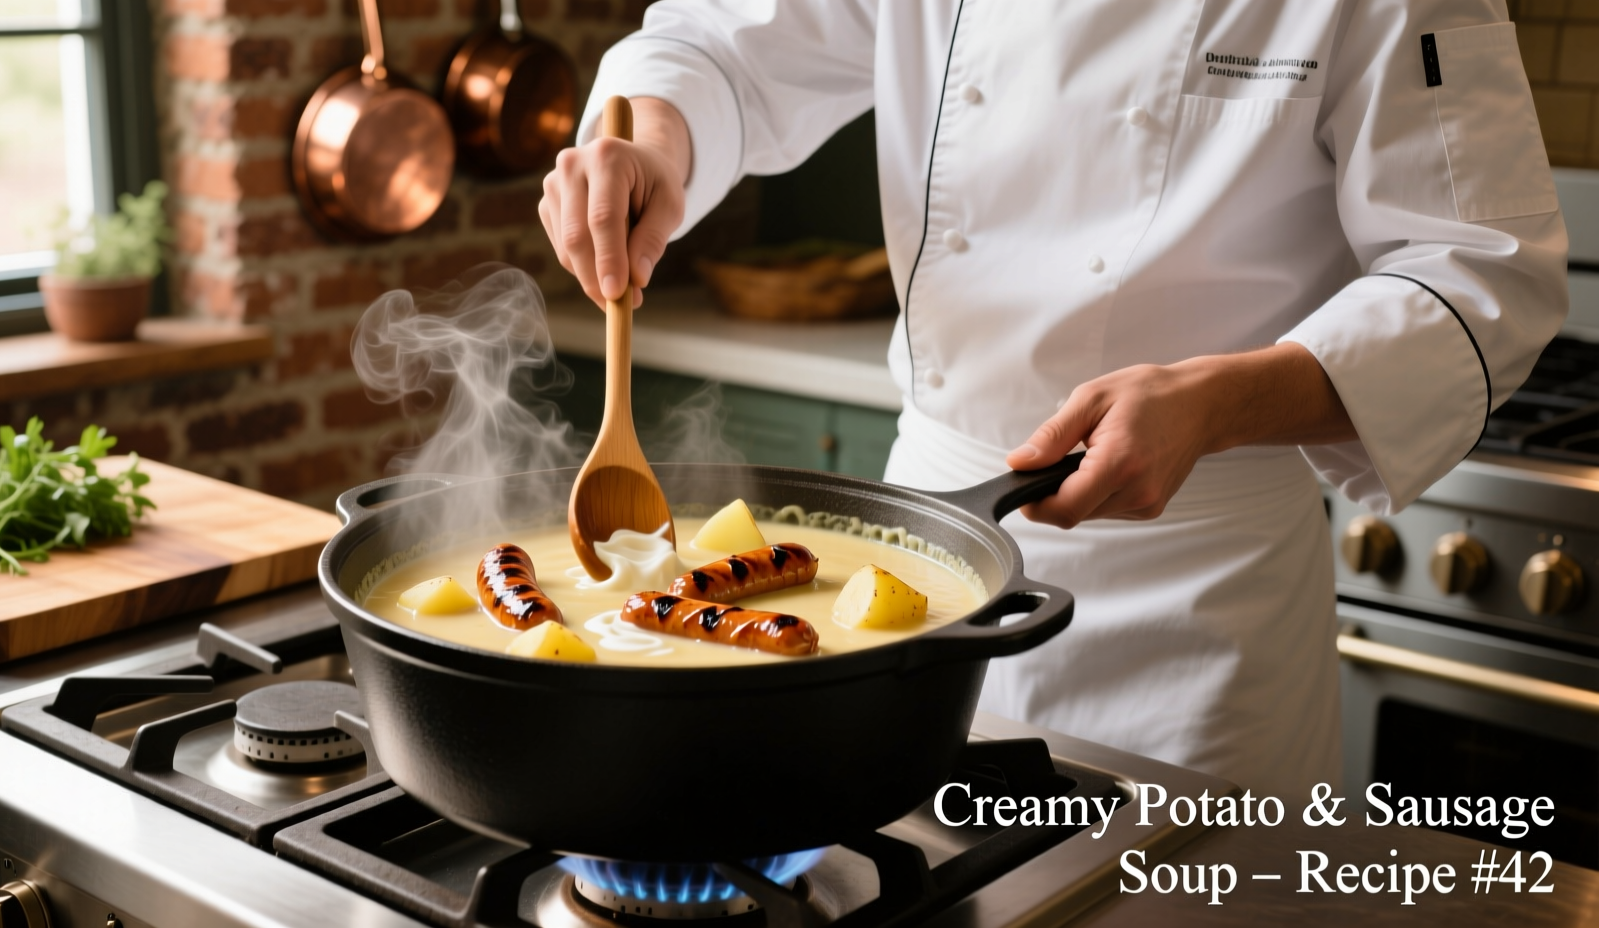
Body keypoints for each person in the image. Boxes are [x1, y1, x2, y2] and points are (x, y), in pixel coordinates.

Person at [537, 1, 1568, 796]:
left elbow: (1484, 276)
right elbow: (725, 43)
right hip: (918, 574)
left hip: (1197, 613)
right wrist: (653, 142)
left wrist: (1218, 400)